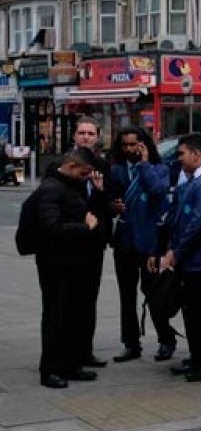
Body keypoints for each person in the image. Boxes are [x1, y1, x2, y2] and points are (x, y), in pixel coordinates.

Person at [28, 147, 106, 388]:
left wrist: (98, 195)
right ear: (71, 167)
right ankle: (50, 369)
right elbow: (52, 227)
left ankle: (70, 365)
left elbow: (84, 211)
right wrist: (86, 228)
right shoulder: (51, 189)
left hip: (75, 262)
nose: (87, 179)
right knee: (56, 315)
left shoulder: (72, 185)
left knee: (74, 314)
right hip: (55, 264)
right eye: (84, 174)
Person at [158, 133, 201, 382]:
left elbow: (197, 224)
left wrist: (177, 252)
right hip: (192, 259)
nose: (179, 159)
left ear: (196, 155)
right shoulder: (195, 180)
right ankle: (199, 357)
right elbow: (179, 219)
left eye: (181, 153)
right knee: (192, 311)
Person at [108, 127, 176, 362]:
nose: (129, 149)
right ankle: (131, 343)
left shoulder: (159, 169)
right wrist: (112, 206)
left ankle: (166, 339)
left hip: (151, 242)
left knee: (154, 293)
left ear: (143, 145)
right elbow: (107, 199)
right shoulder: (115, 170)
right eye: (125, 145)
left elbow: (158, 191)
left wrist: (144, 164)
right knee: (126, 296)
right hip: (125, 241)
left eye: (133, 144)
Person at [71, 118, 113, 369]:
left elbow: (106, 204)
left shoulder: (102, 166)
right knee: (69, 300)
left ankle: (85, 350)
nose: (86, 137)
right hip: (70, 241)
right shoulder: (63, 164)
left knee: (89, 299)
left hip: (94, 243)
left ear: (97, 137)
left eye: (90, 133)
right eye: (81, 133)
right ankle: (69, 351)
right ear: (74, 136)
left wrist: (100, 192)